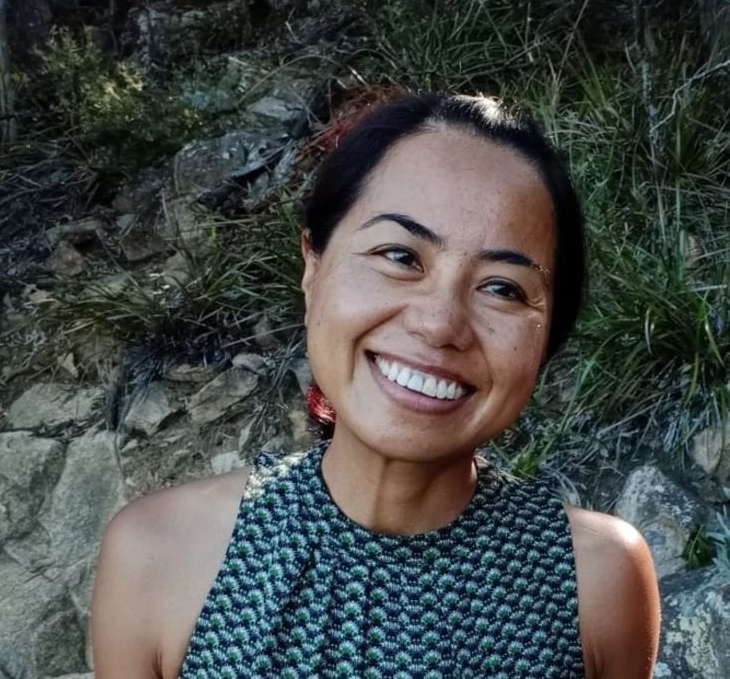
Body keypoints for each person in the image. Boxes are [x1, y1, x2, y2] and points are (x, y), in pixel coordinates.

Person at [91, 92, 661, 678]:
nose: (439, 324)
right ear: (313, 265)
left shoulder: (596, 580)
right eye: (399, 255)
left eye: (502, 288)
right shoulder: (159, 555)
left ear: (546, 339)